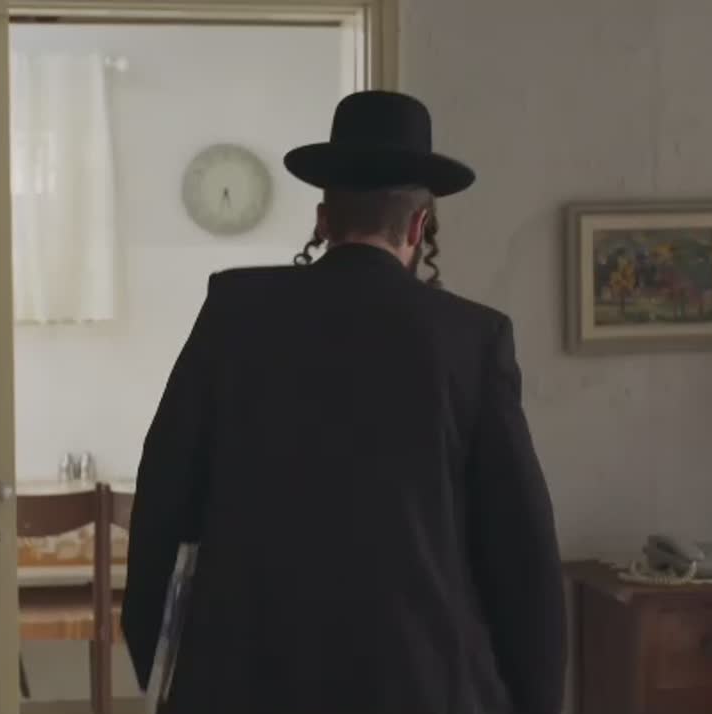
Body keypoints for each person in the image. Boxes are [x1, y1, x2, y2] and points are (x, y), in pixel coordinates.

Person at [123, 90, 566, 714]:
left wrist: (163, 662)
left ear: (323, 220)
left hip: (242, 682)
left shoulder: (233, 314)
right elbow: (521, 553)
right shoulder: (472, 340)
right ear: (419, 226)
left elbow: (162, 496)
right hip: (420, 684)